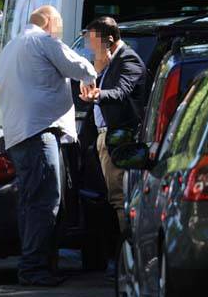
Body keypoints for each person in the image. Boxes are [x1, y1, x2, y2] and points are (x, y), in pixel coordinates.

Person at [0, 5, 97, 286]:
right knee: (45, 201)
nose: (60, 33)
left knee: (31, 203)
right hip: (40, 132)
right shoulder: (44, 41)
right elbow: (82, 67)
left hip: (19, 135)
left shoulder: (11, 46)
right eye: (60, 27)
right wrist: (89, 81)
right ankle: (34, 269)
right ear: (51, 22)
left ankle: (39, 265)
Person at [79, 16, 147, 278]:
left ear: (109, 40)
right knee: (111, 199)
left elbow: (120, 92)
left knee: (121, 200)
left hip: (119, 138)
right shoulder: (108, 62)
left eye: (93, 41)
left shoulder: (128, 60)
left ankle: (127, 261)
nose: (89, 46)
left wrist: (97, 94)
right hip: (104, 137)